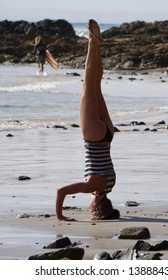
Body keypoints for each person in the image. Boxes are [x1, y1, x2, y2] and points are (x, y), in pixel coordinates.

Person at [56, 19, 120, 221]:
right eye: (91, 206)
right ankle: (92, 41)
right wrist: (60, 216)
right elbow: (61, 191)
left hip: (108, 135)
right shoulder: (95, 187)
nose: (88, 204)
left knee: (96, 85)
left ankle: (97, 44)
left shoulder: (110, 185)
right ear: (97, 204)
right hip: (93, 136)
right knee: (87, 85)